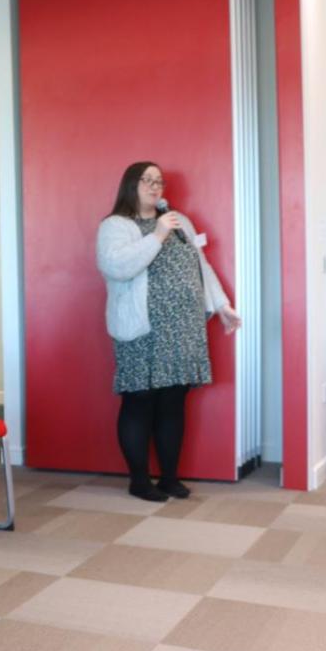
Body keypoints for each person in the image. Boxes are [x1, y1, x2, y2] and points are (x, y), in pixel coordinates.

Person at [96, 162, 241, 502]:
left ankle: (170, 478)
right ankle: (139, 480)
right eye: (146, 180)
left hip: (184, 327)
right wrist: (157, 234)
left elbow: (200, 266)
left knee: (174, 403)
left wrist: (222, 305)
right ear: (130, 184)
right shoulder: (116, 225)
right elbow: (117, 267)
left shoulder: (180, 221)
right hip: (144, 329)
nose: (154, 186)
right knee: (140, 401)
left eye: (158, 181)